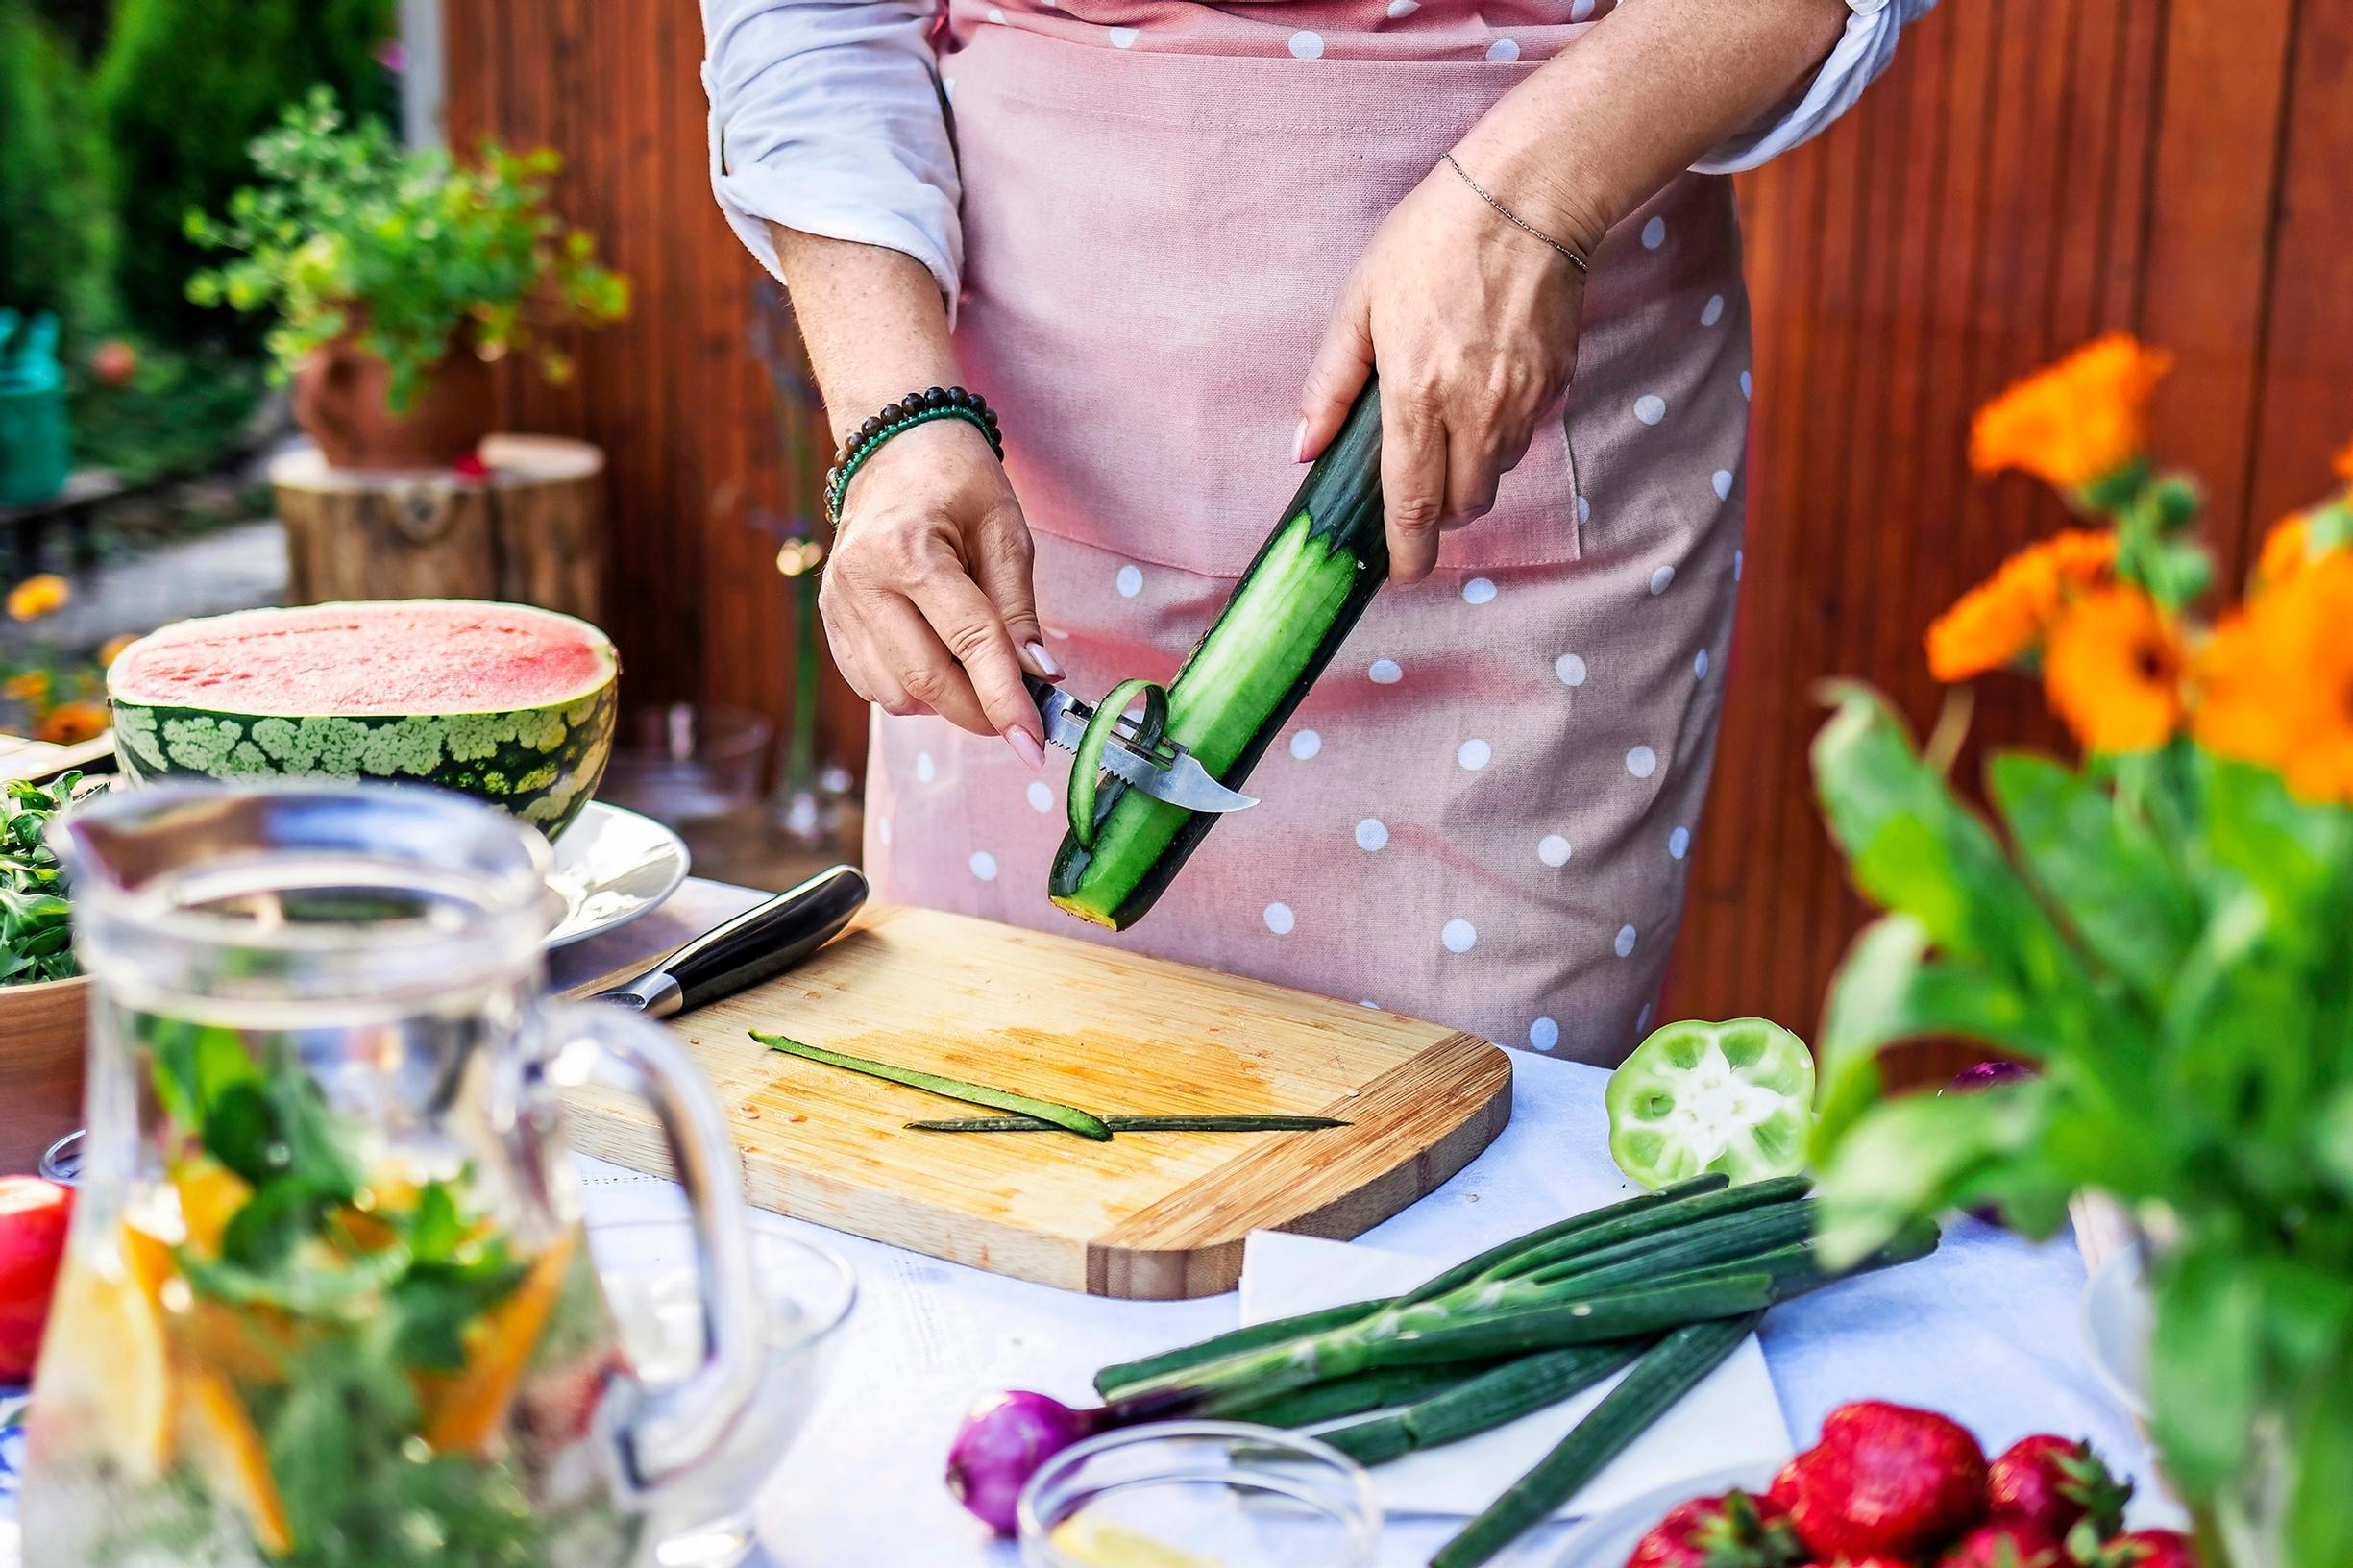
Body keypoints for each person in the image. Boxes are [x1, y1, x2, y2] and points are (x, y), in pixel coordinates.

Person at [702, 0, 1933, 1063]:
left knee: (1457, 1174)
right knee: (988, 1100)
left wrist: (1531, 198)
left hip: (1513, 448)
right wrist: (897, 421)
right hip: (1010, 490)